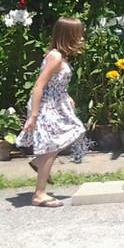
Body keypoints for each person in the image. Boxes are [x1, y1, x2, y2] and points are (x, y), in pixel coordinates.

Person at [16, 16, 87, 208]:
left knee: (75, 132)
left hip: (57, 103)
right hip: (47, 106)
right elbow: (39, 85)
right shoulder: (55, 57)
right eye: (78, 34)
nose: (81, 38)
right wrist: (34, 115)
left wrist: (67, 96)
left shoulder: (59, 56)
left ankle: (39, 163)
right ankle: (39, 194)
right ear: (68, 35)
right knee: (52, 147)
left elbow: (56, 83)